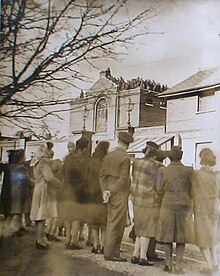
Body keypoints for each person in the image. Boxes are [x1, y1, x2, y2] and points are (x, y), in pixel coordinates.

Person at [156, 146, 194, 273]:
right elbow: (192, 190)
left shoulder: (162, 171)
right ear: (181, 156)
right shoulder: (189, 170)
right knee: (181, 236)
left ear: (169, 157)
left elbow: (159, 190)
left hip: (167, 204)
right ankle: (178, 264)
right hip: (184, 204)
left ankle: (168, 263)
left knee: (167, 234)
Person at [99, 131, 134, 262]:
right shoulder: (125, 157)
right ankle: (111, 253)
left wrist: (105, 190)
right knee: (117, 224)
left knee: (110, 221)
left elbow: (101, 175)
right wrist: (111, 191)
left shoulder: (108, 156)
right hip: (119, 193)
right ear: (128, 144)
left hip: (109, 192)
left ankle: (110, 250)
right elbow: (123, 179)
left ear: (118, 141)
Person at [131, 142, 164, 266]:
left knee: (139, 227)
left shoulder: (136, 162)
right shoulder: (157, 166)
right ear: (155, 154)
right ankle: (143, 257)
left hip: (136, 199)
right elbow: (159, 186)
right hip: (149, 201)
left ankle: (135, 254)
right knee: (146, 230)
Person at [191, 148, 220, 275]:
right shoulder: (215, 176)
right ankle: (214, 264)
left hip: (201, 208)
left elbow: (192, 192)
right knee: (211, 239)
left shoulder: (197, 174)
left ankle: (208, 266)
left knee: (201, 239)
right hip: (214, 208)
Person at [30, 142, 62, 250]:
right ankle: (40, 240)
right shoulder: (43, 161)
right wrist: (60, 185)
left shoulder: (36, 160)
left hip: (38, 187)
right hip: (43, 188)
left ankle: (40, 238)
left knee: (39, 215)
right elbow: (49, 177)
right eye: (50, 149)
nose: (52, 151)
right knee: (41, 215)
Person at [60, 136, 89, 250]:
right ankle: (74, 240)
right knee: (77, 216)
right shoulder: (83, 160)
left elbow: (62, 173)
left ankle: (67, 239)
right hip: (79, 190)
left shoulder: (68, 158)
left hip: (67, 189)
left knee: (68, 215)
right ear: (85, 148)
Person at [0, 149, 32, 236]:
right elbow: (25, 180)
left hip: (12, 192)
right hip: (19, 193)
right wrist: (35, 183)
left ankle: (14, 228)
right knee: (16, 212)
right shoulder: (21, 168)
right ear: (21, 158)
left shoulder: (10, 167)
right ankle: (11, 229)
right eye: (24, 156)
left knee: (14, 212)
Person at [87, 141, 110, 254]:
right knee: (103, 221)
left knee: (94, 221)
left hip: (91, 193)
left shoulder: (91, 161)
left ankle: (95, 244)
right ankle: (102, 245)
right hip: (101, 191)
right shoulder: (104, 162)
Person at [45, 159, 63, 242]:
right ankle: (51, 233)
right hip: (55, 197)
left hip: (50, 196)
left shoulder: (49, 175)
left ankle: (48, 232)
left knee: (51, 216)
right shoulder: (58, 176)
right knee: (56, 217)